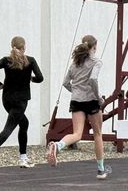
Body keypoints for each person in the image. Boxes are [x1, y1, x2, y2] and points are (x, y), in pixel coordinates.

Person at [46, 35, 110, 179]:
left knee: (77, 134)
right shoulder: (96, 62)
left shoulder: (75, 63)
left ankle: (58, 146)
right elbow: (93, 79)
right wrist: (99, 98)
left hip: (76, 100)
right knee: (97, 134)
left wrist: (76, 91)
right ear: (94, 47)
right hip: (92, 100)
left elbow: (66, 83)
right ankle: (100, 170)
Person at [0, 36, 44, 170]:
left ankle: (23, 158)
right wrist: (30, 78)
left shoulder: (6, 60)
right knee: (9, 128)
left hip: (7, 99)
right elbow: (40, 78)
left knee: (24, 123)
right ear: (24, 47)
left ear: (12, 46)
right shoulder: (30, 61)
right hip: (20, 101)